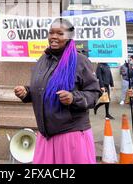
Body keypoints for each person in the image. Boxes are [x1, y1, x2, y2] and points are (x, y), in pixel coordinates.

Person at [14, 18, 101, 164]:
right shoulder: (43, 60)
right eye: (51, 33)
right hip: (45, 136)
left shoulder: (80, 61)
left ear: (69, 37)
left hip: (71, 134)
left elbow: (94, 93)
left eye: (60, 33)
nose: (54, 37)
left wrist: (73, 98)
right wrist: (27, 92)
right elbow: (41, 88)